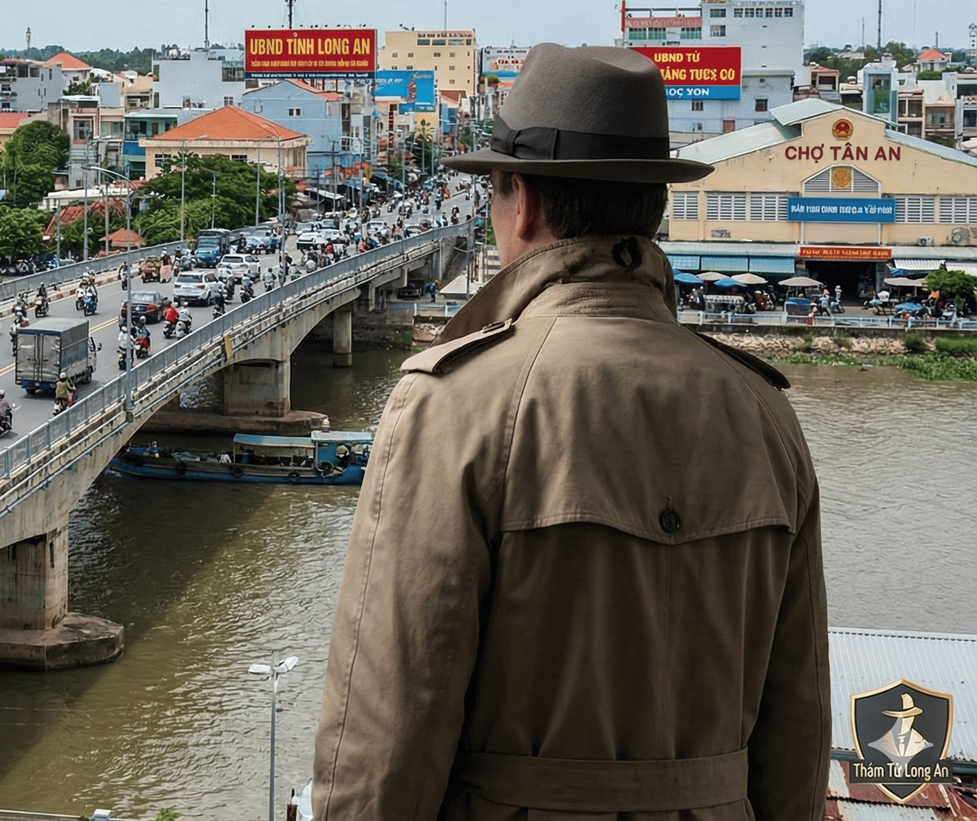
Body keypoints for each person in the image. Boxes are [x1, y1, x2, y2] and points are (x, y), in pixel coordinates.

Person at [312, 44, 827, 820]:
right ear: (652, 206)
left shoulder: (455, 403)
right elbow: (797, 740)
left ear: (522, 204)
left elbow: (384, 735)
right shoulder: (764, 414)